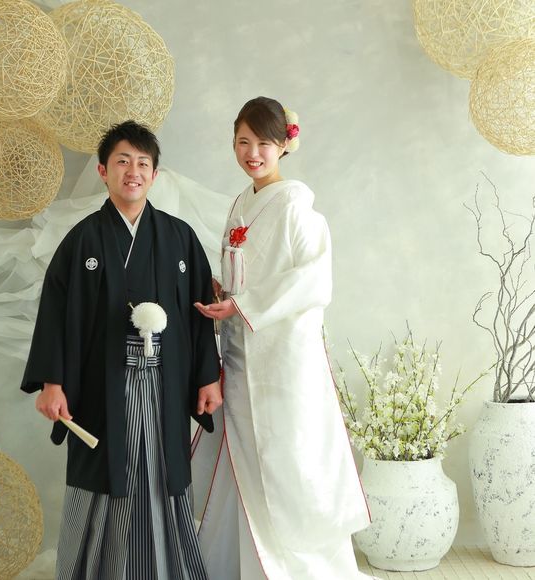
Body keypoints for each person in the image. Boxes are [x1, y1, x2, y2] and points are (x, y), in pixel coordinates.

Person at [21, 120, 222, 580]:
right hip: (100, 385)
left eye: (143, 164)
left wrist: (207, 376)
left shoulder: (179, 237)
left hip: (166, 381)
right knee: (106, 470)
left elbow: (199, 313)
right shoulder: (83, 240)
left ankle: (165, 568)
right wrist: (53, 382)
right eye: (122, 162)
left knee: (162, 470)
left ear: (154, 175)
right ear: (103, 171)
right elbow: (55, 313)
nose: (133, 172)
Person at [193, 97, 372, 579]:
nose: (252, 153)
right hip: (241, 354)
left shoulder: (295, 205)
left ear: (283, 146)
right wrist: (225, 293)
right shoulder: (240, 204)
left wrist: (243, 305)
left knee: (291, 460)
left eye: (263, 143)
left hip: (284, 360)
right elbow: (246, 275)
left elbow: (315, 279)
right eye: (243, 142)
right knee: (244, 456)